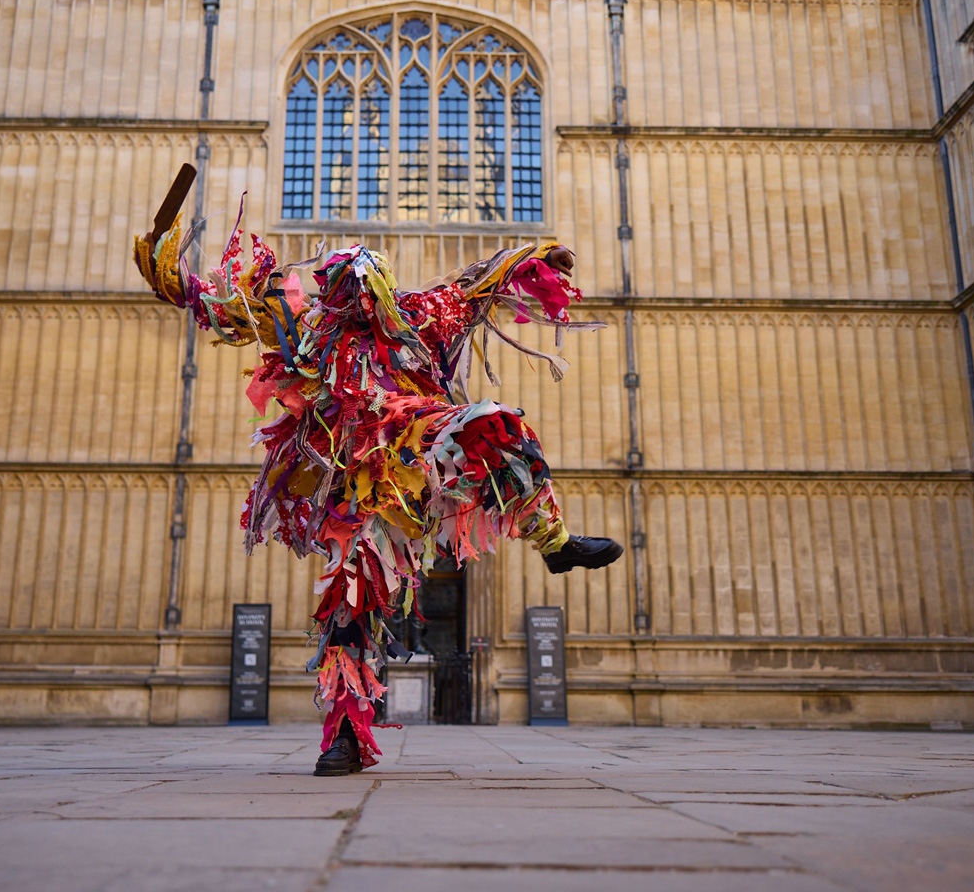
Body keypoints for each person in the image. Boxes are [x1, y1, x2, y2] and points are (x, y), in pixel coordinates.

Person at [134, 165, 622, 775]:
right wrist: (170, 274)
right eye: (341, 291)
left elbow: (478, 284)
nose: (352, 303)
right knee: (348, 610)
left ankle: (553, 541)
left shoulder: (418, 316)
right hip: (361, 497)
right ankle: (343, 737)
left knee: (499, 426)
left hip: (424, 451)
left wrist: (530, 257)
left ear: (380, 292)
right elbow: (226, 306)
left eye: (360, 292)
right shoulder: (310, 331)